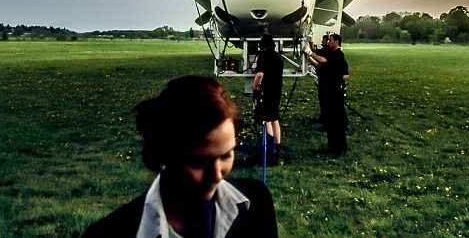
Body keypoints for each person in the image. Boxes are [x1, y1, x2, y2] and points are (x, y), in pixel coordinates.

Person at [82, 75, 278, 237]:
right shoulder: (108, 233)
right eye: (199, 162)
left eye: (226, 155)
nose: (217, 175)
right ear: (164, 152)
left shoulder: (257, 202)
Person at [306, 33, 349, 156]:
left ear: (336, 42)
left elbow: (323, 60)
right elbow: (320, 65)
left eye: (330, 40)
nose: (328, 42)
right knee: (330, 121)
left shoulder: (338, 55)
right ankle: (332, 146)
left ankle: (340, 148)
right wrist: (310, 60)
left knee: (337, 121)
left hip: (335, 92)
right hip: (327, 91)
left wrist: (310, 53)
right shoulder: (329, 53)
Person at [253, 34, 284, 164]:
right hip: (277, 90)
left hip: (267, 91)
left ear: (263, 45)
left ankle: (270, 152)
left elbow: (260, 75)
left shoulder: (264, 56)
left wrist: (255, 88)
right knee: (275, 119)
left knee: (267, 120)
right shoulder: (279, 57)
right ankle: (278, 147)